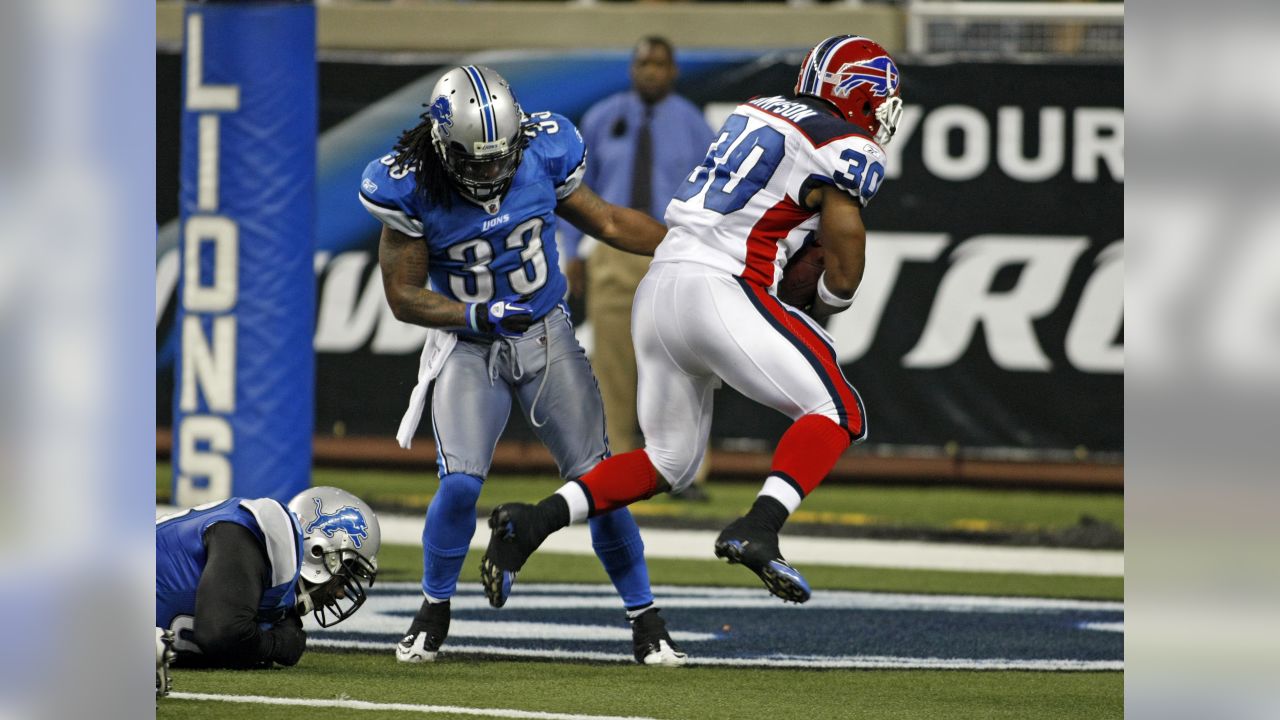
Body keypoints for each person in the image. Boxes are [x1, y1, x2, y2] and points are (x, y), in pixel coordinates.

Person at [480, 35, 904, 608]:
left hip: (659, 285)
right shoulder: (846, 143)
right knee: (837, 409)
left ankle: (531, 523)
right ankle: (761, 526)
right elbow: (845, 241)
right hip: (721, 287)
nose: (881, 115)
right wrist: (831, 292)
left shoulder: (755, 109)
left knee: (668, 461)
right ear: (855, 94)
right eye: (879, 100)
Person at [357, 65, 685, 666]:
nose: (491, 171)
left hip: (545, 333)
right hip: (469, 345)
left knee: (598, 483)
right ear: (442, 145)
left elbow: (609, 221)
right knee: (458, 485)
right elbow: (404, 298)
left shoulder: (542, 150)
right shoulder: (408, 186)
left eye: (499, 156)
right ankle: (433, 612)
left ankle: (646, 619)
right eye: (474, 161)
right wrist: (478, 315)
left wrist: (688, 249)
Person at [561, 38, 715, 501]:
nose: (650, 71)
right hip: (612, 253)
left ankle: (685, 474)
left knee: (683, 363)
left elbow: (713, 193)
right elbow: (572, 190)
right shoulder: (603, 117)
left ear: (673, 70)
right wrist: (570, 251)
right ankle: (615, 469)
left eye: (659, 63)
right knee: (612, 366)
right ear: (632, 69)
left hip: (673, 250)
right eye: (643, 62)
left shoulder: (692, 124)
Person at [155, 486, 381, 676]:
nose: (341, 593)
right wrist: (276, 646)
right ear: (319, 551)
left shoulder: (268, 569)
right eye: (345, 572)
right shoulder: (247, 535)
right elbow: (222, 634)